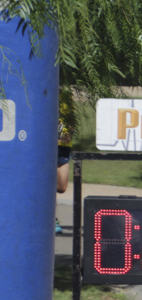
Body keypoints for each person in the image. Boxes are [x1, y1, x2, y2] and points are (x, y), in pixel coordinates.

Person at [55, 92, 76, 234]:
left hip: (63, 145)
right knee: (45, 184)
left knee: (61, 186)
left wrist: (70, 130)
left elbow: (71, 119)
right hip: (44, 146)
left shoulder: (65, 95)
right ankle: (51, 218)